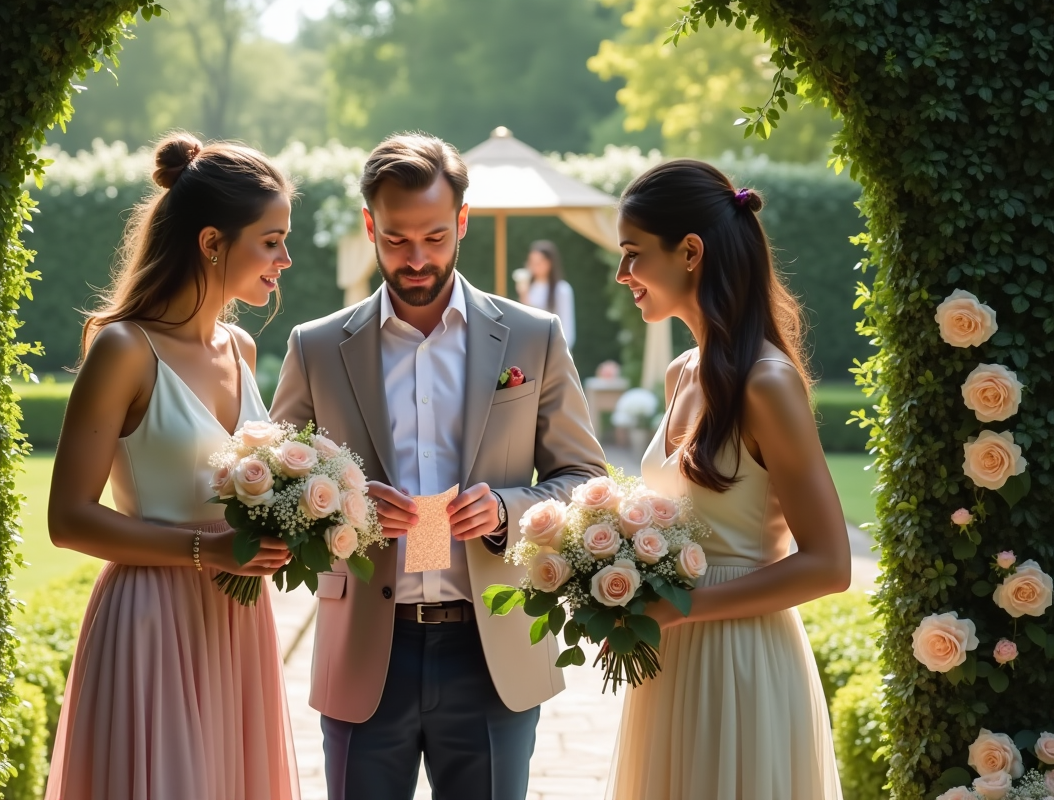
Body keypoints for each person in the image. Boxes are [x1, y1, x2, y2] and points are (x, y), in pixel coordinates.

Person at [270, 132, 608, 800]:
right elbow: (273, 492)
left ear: (462, 222)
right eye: (396, 240)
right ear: (370, 224)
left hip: (490, 653)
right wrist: (346, 504)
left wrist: (508, 510)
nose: (417, 259)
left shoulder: (532, 337)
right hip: (367, 649)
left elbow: (586, 480)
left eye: (433, 237)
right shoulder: (313, 348)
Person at [44, 133, 300, 800]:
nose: (285, 258)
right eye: (270, 240)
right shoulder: (125, 349)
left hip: (236, 623)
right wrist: (202, 549)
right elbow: (67, 519)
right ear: (213, 242)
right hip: (151, 623)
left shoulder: (240, 347)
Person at [608, 160, 849, 800]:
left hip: (740, 660)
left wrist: (681, 609)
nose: (622, 275)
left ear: (690, 252)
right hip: (670, 660)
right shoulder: (682, 372)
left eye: (633, 255)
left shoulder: (766, 383)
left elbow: (830, 563)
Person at [514, 239, 576, 348]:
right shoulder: (528, 288)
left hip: (553, 347)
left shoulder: (562, 289)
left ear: (549, 263)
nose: (534, 266)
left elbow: (567, 325)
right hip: (530, 345)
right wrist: (523, 295)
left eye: (538, 262)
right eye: (531, 262)